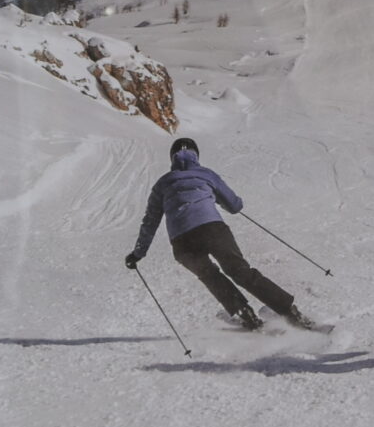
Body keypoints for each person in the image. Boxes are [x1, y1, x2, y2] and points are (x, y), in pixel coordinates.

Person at [127, 137, 314, 331]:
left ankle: (246, 315)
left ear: (171, 158)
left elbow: (150, 221)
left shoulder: (162, 183)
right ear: (196, 155)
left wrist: (137, 254)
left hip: (181, 241)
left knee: (210, 276)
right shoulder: (206, 174)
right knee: (240, 272)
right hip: (211, 229)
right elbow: (234, 205)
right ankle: (290, 312)